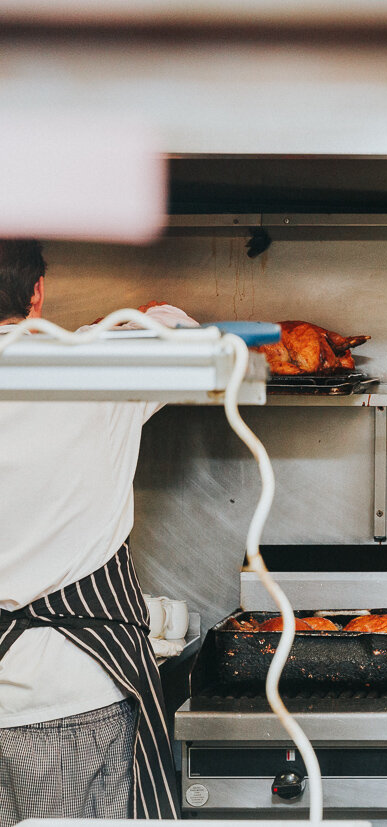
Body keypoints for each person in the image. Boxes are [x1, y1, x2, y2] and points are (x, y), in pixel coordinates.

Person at [0, 240, 194, 825]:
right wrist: (121, 323)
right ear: (37, 292)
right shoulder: (93, 368)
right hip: (70, 696)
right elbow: (182, 331)